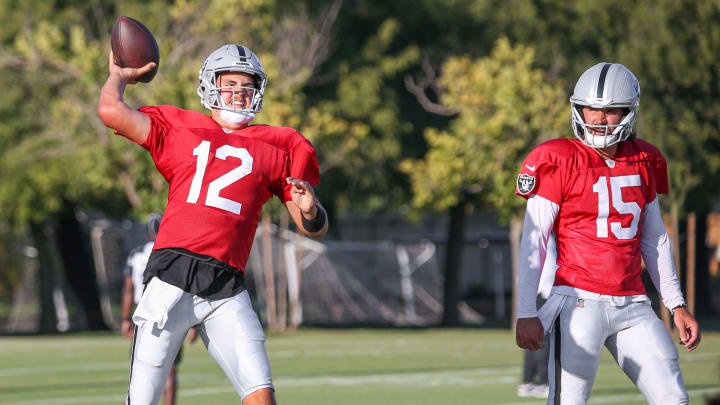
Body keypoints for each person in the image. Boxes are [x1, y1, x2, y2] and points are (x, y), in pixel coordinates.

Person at [98, 43, 328, 405]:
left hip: (225, 288)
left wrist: (311, 209)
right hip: (170, 277)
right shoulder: (179, 126)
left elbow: (311, 227)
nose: (239, 93)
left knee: (262, 397)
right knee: (142, 400)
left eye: (246, 86)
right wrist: (119, 75)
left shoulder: (279, 145)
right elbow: (110, 110)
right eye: (230, 84)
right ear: (210, 86)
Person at [514, 62, 700, 405]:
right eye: (590, 109)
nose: (597, 119)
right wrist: (526, 311)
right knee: (568, 401)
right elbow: (534, 242)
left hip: (634, 304)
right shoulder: (557, 158)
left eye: (610, 111)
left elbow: (654, 239)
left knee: (674, 398)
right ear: (577, 107)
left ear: (629, 113)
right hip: (576, 302)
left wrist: (676, 304)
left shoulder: (645, 158)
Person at [120, 213, 197, 405]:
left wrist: (125, 318)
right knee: (169, 370)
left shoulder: (137, 254)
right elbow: (189, 286)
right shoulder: (177, 252)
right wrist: (194, 323)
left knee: (139, 369)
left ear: (147, 233)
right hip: (170, 311)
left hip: (143, 313)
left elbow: (129, 288)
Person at [516, 234, 556, 398]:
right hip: (542, 292)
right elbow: (545, 266)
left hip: (538, 292)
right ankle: (543, 381)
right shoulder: (541, 235)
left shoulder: (538, 235)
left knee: (533, 338)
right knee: (542, 339)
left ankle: (528, 381)